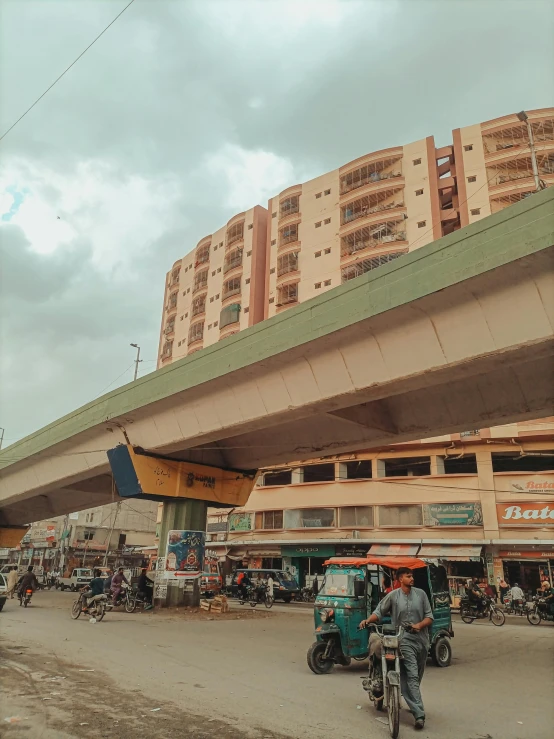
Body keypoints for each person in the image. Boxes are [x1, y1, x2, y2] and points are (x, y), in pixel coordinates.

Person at [359, 567, 433, 731]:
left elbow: (429, 616)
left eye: (412, 575)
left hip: (422, 640)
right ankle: (419, 714)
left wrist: (419, 626)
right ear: (400, 579)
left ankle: (411, 699)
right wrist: (367, 620)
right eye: (408, 576)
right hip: (404, 639)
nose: (412, 578)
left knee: (417, 675)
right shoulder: (393, 596)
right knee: (411, 675)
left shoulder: (421, 594)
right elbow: (378, 612)